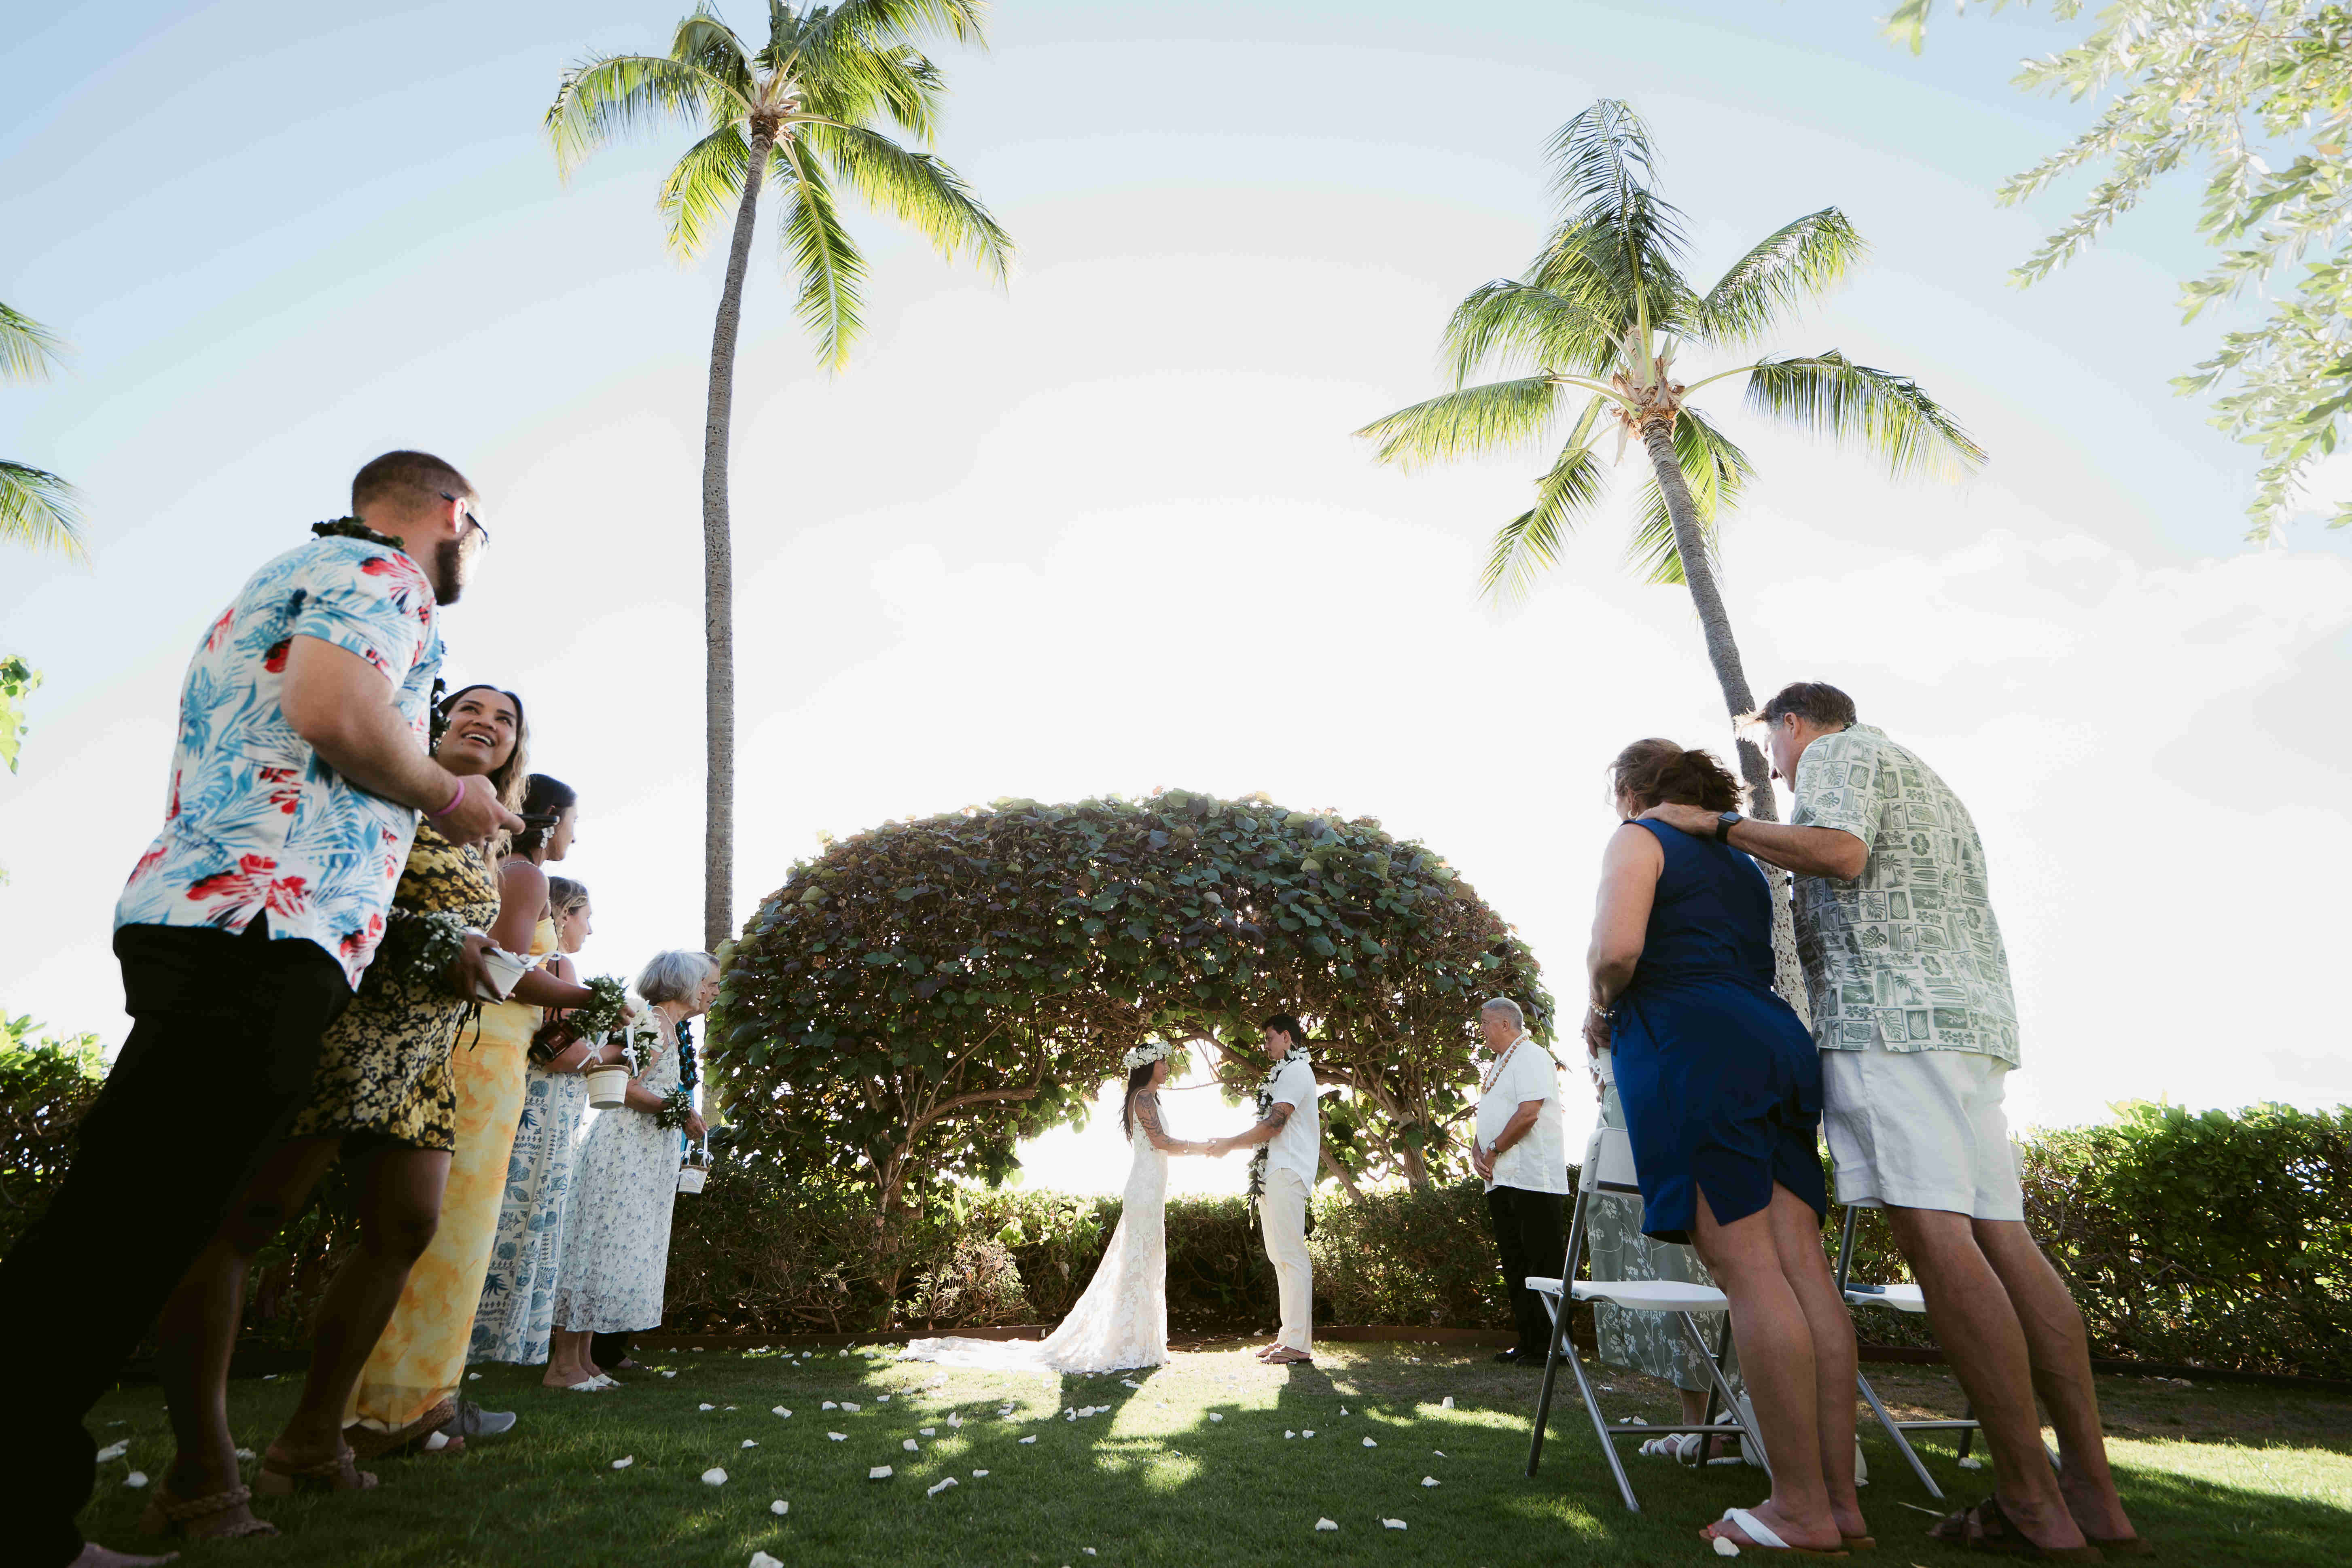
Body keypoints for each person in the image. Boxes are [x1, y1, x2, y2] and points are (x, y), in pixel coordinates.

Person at [0, 451, 517, 1568]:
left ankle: (28, 1509)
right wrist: (451, 795)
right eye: (479, 534)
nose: (473, 555)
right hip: (262, 928)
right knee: (124, 1231)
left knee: (126, 1220)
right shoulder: (385, 574)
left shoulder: (292, 574)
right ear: (451, 514)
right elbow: (332, 708)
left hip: (220, 914)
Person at [1645, 682, 2140, 1559]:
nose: (1777, 771)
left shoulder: (1839, 753)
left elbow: (1838, 852)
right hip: (1971, 1027)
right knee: (2004, 1240)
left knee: (1938, 1240)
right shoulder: (1921, 774)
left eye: (1774, 750)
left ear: (1793, 723)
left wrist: (1717, 825)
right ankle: (2091, 1497)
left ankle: (2031, 1500)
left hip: (1892, 1025)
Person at [141, 685, 559, 1531]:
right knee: (249, 1218)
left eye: (504, 718)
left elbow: (492, 957)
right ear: (436, 726)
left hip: (421, 1054)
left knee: (405, 1229)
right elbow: (335, 881)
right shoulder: (386, 790)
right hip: (342, 1030)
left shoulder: (488, 845)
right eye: (469, 708)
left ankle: (310, 1441)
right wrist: (437, 940)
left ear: (515, 749)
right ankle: (200, 1471)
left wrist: (544, 985)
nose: (484, 721)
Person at [1588, 739, 1864, 1556]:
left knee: (1748, 1271)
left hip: (1691, 1043)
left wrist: (1601, 1002)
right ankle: (1839, 1503)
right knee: (1801, 1269)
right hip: (1770, 1038)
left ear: (1632, 790)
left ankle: (1799, 1509)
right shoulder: (1739, 859)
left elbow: (1616, 952)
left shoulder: (1638, 837)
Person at [345, 760, 596, 1456]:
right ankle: (406, 1403)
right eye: (574, 822)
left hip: (494, 1059)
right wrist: (589, 999)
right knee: (452, 1235)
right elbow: (502, 971)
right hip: (482, 1064)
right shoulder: (526, 876)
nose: (576, 835)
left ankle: (411, 1397)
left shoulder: (504, 872)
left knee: (447, 1232)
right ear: (550, 821)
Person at [903, 1041, 1214, 1373]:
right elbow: (1161, 1141)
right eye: (1163, 1062)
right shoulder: (1143, 1098)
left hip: (1150, 1188)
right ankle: (1132, 1343)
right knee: (1139, 1262)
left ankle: (1140, 1341)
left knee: (1145, 1261)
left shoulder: (1148, 1098)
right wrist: (1204, 1148)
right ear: (1148, 1065)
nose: (1167, 1067)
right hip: (1144, 1189)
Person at [545, 951, 715, 1389]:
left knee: (607, 1252)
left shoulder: (669, 1026)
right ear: (684, 983)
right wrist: (677, 1110)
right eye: (706, 982)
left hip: (644, 1154)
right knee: (593, 1249)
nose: (710, 991)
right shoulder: (653, 1024)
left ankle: (586, 1362)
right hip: (622, 1151)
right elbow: (621, 1084)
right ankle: (563, 1365)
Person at [471, 870, 606, 1375]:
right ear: (564, 915)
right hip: (544, 1116)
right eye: (587, 917)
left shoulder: (546, 965)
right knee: (532, 1215)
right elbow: (560, 1053)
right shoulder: (558, 966)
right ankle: (504, 1336)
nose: (590, 929)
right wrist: (613, 1054)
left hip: (520, 1100)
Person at [1206, 1013, 1320, 1366]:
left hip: (1288, 1170)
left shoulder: (1297, 1070)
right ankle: (1288, 1337)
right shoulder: (1284, 1072)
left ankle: (1299, 1344)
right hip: (1274, 1172)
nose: (1265, 1045)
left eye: (1269, 1038)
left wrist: (1229, 1143)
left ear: (1287, 1037)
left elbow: (1275, 1123)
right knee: (1279, 1256)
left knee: (1292, 1255)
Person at [1468, 997, 1569, 1367]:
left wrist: (1494, 1149)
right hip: (1502, 1179)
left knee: (1543, 1263)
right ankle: (1528, 1342)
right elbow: (1494, 1113)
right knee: (1515, 1263)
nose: (1481, 1029)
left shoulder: (1532, 1056)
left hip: (1532, 1179)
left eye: (1485, 1023)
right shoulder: (1501, 1062)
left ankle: (1553, 1347)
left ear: (1505, 1024)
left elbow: (1528, 1114)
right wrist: (1478, 1147)